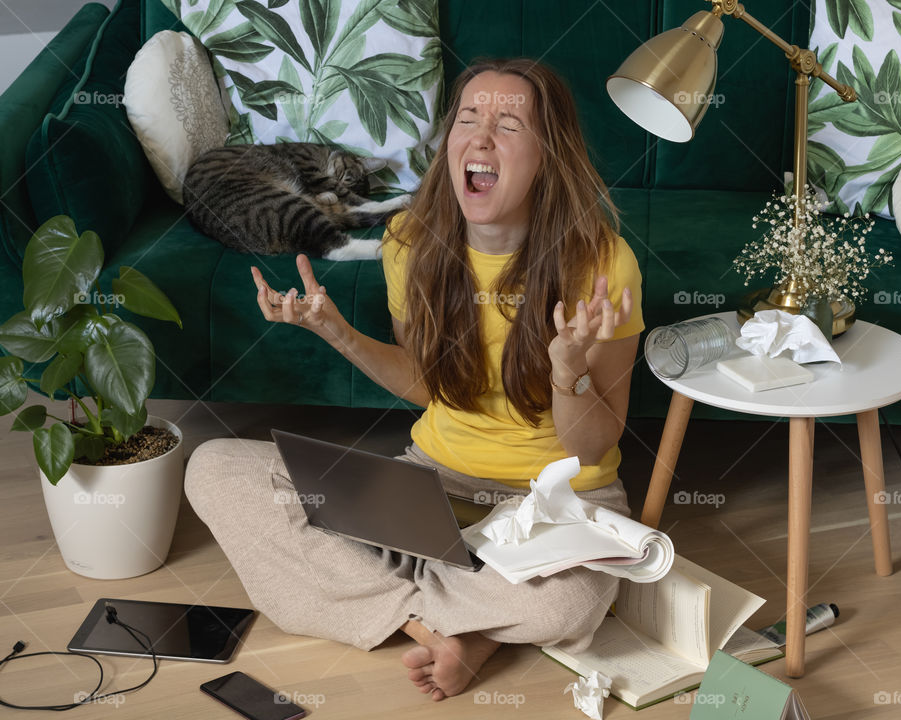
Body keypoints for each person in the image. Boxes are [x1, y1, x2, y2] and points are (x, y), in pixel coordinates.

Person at [184, 58, 645, 703]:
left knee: (567, 603)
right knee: (214, 468)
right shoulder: (411, 242)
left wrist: (568, 371)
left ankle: (424, 612)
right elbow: (430, 387)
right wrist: (338, 333)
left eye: (509, 124)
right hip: (433, 487)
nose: (481, 137)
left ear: (550, 155)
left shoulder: (602, 263)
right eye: (468, 119)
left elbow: (592, 447)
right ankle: (447, 627)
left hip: (557, 504)